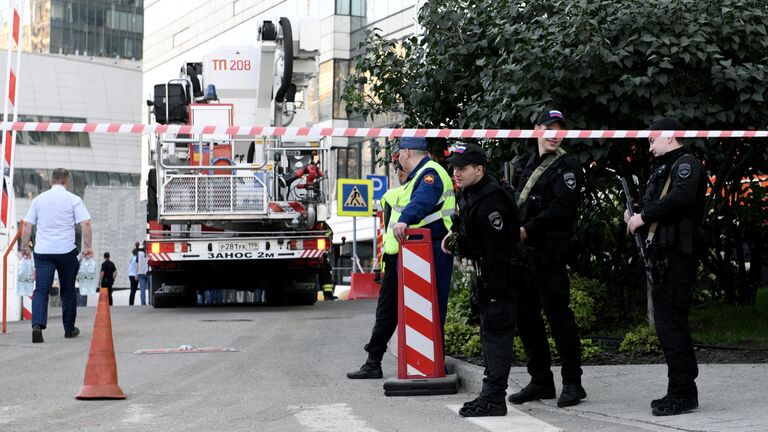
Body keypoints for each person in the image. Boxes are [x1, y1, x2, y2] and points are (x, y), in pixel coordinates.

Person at [625, 117, 705, 416]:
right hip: (663, 256)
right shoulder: (664, 167)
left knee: (673, 325)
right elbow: (659, 205)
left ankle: (683, 392)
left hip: (678, 256)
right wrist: (636, 216)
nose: (649, 146)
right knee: (667, 324)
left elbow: (681, 198)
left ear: (670, 136)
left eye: (652, 140)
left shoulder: (686, 164)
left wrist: (643, 217)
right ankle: (680, 390)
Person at [509, 108, 586, 407]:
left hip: (550, 254)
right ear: (537, 129)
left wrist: (527, 230)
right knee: (527, 320)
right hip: (524, 257)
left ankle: (573, 383)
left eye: (559, 129)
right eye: (549, 128)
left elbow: (561, 210)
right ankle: (540, 381)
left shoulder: (567, 166)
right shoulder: (525, 164)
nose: (555, 134)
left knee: (559, 320)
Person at [442, 142, 521, 417]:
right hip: (486, 275)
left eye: (462, 168)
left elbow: (498, 250)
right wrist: (455, 238)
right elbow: (467, 229)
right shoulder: (471, 193)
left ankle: (494, 399)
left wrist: (496, 291)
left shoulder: (491, 200)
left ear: (479, 169)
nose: (456, 173)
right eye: (454, 168)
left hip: (499, 278)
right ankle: (489, 395)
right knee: (490, 337)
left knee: (497, 337)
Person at [347, 160, 410, 379]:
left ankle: (373, 362)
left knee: (386, 313)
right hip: (409, 256)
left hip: (398, 257)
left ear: (401, 173)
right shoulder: (413, 190)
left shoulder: (394, 195)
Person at [21, 168, 93, 343]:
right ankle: (69, 329)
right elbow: (86, 224)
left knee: (41, 290)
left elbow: (27, 226)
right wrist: (88, 247)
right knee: (68, 290)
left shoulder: (38, 200)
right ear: (66, 181)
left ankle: (37, 326)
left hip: (43, 253)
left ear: (51, 180)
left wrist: (25, 247)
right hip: (66, 252)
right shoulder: (74, 200)